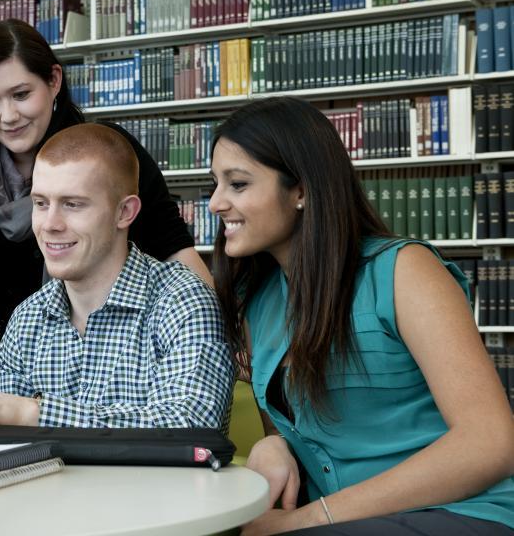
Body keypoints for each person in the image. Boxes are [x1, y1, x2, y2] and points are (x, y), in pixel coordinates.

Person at [207, 97, 514, 535]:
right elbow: (294, 433)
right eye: (214, 183)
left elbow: (490, 444)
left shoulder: (404, 271)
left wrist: (310, 518)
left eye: (237, 184)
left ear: (301, 190)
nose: (216, 203)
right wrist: (275, 444)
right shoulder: (258, 302)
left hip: (460, 512)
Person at [0, 18, 211, 409]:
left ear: (53, 81)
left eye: (21, 94)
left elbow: (172, 245)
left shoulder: (106, 155)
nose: (8, 116)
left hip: (65, 387)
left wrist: (213, 329)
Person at [0, 123, 233, 433]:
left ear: (125, 212)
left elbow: (193, 427)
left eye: (72, 204)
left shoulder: (184, 303)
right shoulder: (26, 320)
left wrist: (34, 413)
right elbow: (21, 448)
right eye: (40, 203)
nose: (50, 224)